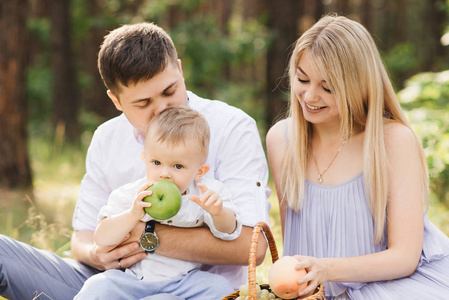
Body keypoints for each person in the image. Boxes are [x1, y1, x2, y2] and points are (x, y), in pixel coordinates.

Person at [0, 22, 270, 300]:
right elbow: (82, 239)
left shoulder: (231, 127)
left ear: (180, 69)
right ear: (115, 100)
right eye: (143, 103)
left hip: (191, 290)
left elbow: (252, 247)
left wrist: (144, 235)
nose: (162, 109)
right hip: (113, 283)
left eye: (169, 91)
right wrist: (101, 254)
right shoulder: (107, 137)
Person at [266, 14, 449, 300]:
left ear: (359, 85)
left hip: (395, 285)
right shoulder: (281, 140)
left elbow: (404, 257)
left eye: (328, 87)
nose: (310, 96)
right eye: (302, 79)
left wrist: (327, 269)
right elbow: (295, 241)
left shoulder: (392, 141)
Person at [75, 106, 241, 299]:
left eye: (178, 166)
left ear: (199, 171)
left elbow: (229, 231)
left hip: (185, 281)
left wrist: (218, 212)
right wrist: (132, 215)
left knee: (220, 287)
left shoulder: (206, 194)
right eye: (156, 162)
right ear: (145, 159)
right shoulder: (132, 195)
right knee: (97, 287)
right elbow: (102, 237)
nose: (164, 173)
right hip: (132, 280)